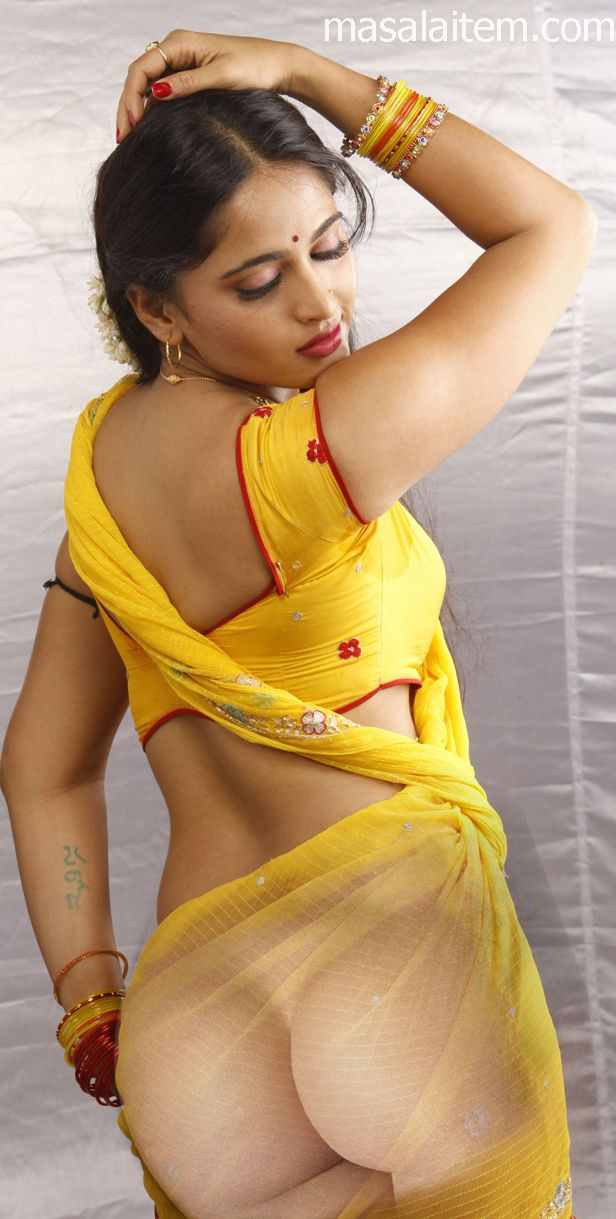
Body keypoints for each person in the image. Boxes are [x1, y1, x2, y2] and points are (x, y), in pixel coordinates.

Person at [1, 29, 594, 1219]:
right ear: (156, 306)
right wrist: (314, 77)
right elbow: (550, 227)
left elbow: (40, 765)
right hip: (390, 964)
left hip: (196, 1024)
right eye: (258, 280)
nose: (321, 304)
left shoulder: (95, 515)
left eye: (328, 246)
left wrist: (91, 995)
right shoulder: (313, 456)